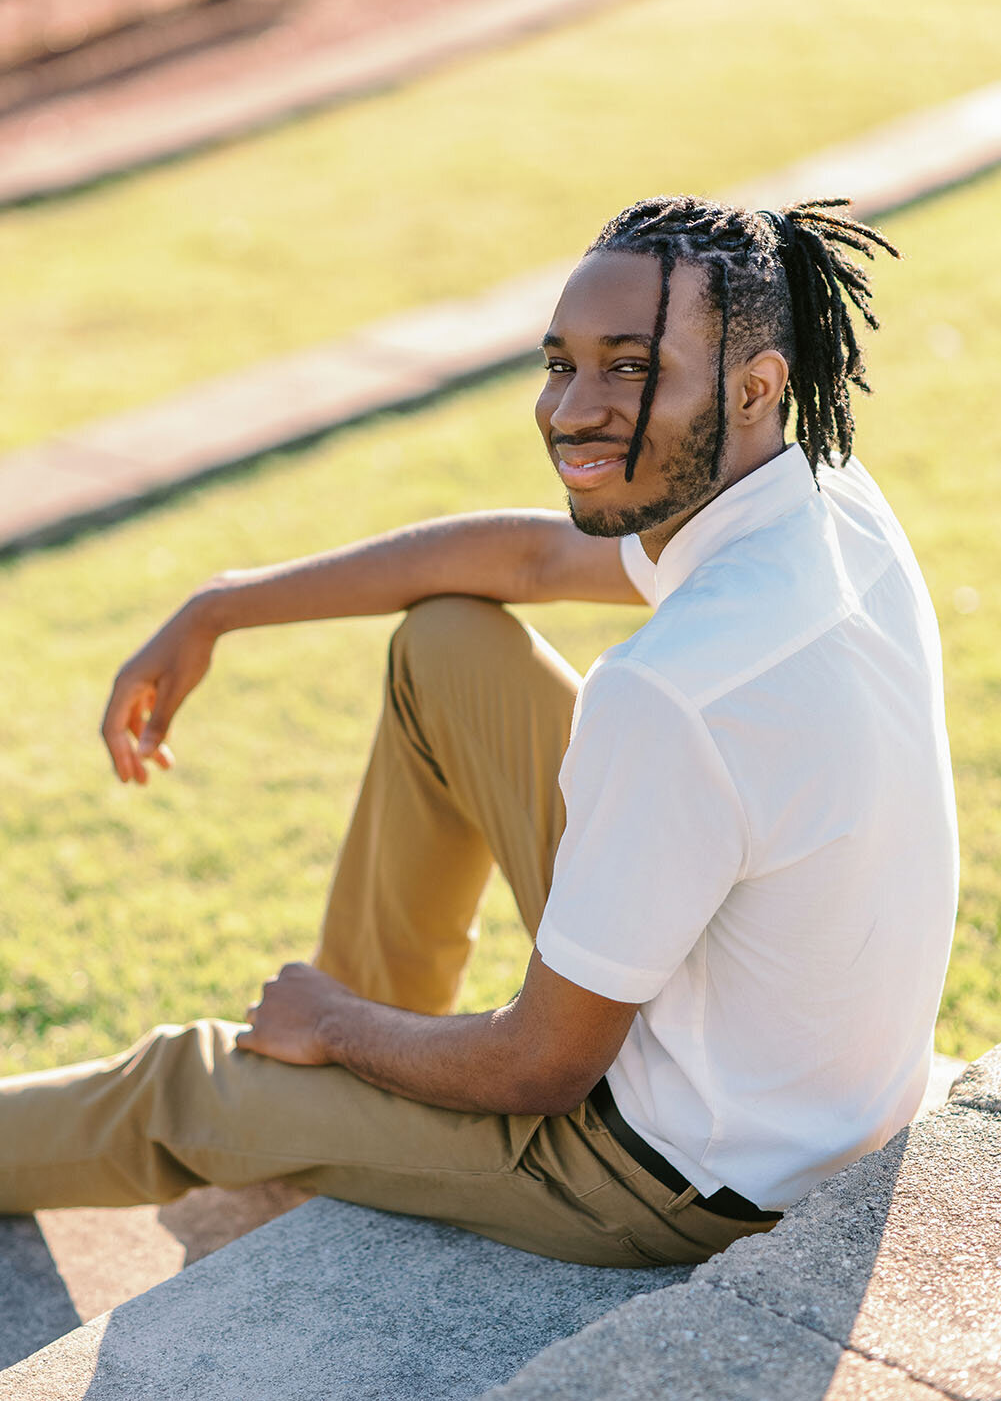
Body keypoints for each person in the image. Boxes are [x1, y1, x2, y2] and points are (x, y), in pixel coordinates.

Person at [0, 196, 958, 1268]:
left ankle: (296, 1076)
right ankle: (330, 1083)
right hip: (788, 1060)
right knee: (449, 646)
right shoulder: (821, 495)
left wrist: (333, 1026)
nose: (570, 410)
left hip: (672, 1173)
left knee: (183, 1084)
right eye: (561, 363)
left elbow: (541, 1071)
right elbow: (526, 563)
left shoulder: (671, 693)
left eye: (630, 370)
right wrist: (223, 603)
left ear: (752, 385)